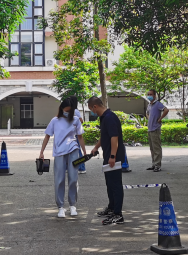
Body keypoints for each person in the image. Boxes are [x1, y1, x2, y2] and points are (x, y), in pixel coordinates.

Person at [39, 99, 87, 218]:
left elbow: (80, 137)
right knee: (59, 179)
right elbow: (47, 136)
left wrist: (85, 152)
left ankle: (72, 205)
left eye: (69, 111)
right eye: (65, 110)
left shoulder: (76, 120)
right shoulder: (54, 121)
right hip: (59, 152)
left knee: (73, 178)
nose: (67, 112)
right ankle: (60, 207)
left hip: (73, 150)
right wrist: (41, 152)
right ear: (61, 109)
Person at [88, 96, 126, 225]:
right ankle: (111, 208)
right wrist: (96, 147)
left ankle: (118, 214)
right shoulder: (104, 117)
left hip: (114, 157)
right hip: (108, 155)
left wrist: (113, 156)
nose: (92, 112)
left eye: (91, 109)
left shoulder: (110, 118)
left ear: (95, 107)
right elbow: (105, 136)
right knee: (110, 184)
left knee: (115, 185)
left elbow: (114, 137)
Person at [146, 89, 169, 172]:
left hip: (155, 128)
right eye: (148, 94)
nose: (149, 96)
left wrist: (160, 118)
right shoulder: (149, 105)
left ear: (154, 96)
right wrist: (150, 118)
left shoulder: (158, 104)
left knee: (156, 148)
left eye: (151, 94)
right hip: (150, 128)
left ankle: (157, 165)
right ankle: (154, 164)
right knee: (152, 148)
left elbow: (166, 110)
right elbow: (147, 113)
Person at [68, 96, 86, 174]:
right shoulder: (71, 110)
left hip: (75, 134)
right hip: (72, 134)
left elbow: (81, 121)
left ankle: (82, 168)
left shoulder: (75, 111)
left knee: (78, 151)